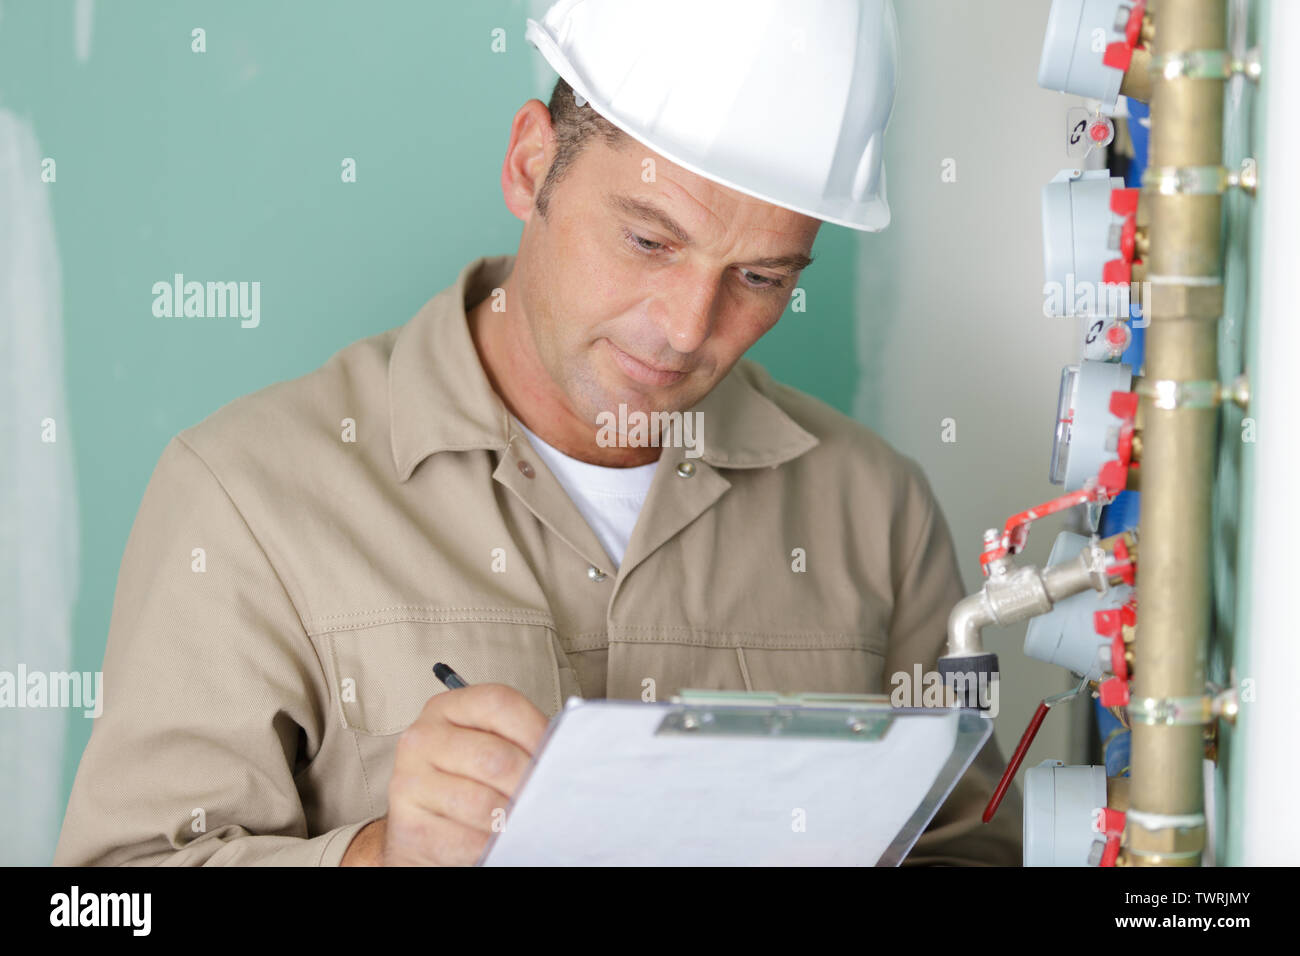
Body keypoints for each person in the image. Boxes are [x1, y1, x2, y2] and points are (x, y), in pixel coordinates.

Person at [55, 0, 1022, 866]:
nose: (688, 329)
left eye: (761, 277)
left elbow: (970, 852)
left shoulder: (876, 512)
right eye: (649, 240)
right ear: (531, 166)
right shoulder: (246, 494)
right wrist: (383, 860)